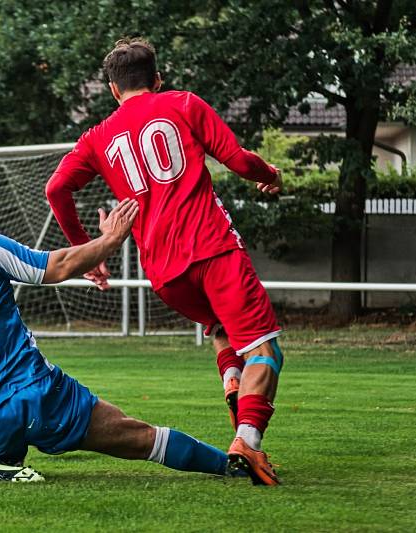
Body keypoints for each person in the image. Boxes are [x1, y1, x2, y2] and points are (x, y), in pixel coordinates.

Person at [0, 183, 250, 483]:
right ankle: (230, 466)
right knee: (138, 436)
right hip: (38, 398)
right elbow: (55, 268)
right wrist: (109, 240)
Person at [45, 38, 285, 485]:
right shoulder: (184, 104)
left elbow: (56, 189)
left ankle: (233, 380)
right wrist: (270, 176)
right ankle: (248, 444)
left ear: (114, 90)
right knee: (265, 350)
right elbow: (238, 159)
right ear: (157, 79)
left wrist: (86, 252)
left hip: (164, 272)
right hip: (213, 250)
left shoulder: (97, 137)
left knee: (220, 328)